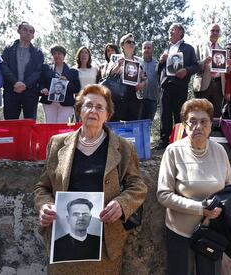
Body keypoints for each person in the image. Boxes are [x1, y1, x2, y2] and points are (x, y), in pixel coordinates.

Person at [34, 84, 147, 274]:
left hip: (105, 239)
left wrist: (121, 204)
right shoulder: (57, 144)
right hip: (63, 239)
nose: (93, 110)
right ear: (79, 110)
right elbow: (42, 187)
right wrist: (44, 205)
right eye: (88, 105)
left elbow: (137, 186)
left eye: (99, 107)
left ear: (107, 114)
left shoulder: (123, 147)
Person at [157, 98, 231, 275]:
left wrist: (221, 208)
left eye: (203, 121)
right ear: (184, 125)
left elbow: (230, 186)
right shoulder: (173, 151)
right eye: (192, 121)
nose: (198, 126)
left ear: (211, 124)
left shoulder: (219, 151)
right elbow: (163, 195)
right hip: (180, 231)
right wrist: (200, 208)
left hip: (212, 231)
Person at [156, 23, 199, 149]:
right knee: (165, 113)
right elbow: (159, 71)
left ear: (180, 31)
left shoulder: (189, 48)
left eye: (172, 30)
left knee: (179, 113)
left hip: (180, 85)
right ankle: (164, 141)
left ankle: (180, 140)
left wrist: (186, 70)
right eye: (169, 30)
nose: (169, 32)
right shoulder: (166, 48)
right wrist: (160, 62)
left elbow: (195, 66)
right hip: (166, 85)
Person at [0, 21, 44, 120]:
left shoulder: (38, 53)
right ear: (18, 31)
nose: (28, 33)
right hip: (11, 91)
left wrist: (25, 85)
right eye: (25, 30)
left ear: (33, 36)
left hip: (30, 93)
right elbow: (4, 67)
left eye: (31, 31)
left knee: (30, 123)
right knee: (10, 123)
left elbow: (38, 72)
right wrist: (15, 82)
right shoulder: (9, 49)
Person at [106, 33, 147, 121]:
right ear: (122, 45)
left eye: (133, 42)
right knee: (115, 122)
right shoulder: (115, 58)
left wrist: (142, 84)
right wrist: (117, 66)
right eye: (128, 42)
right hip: (118, 95)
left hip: (134, 95)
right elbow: (108, 75)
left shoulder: (140, 61)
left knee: (133, 123)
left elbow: (145, 78)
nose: (131, 44)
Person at [40, 45, 80, 123]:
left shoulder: (73, 72)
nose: (56, 55)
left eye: (59, 53)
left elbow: (76, 89)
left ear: (64, 56)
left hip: (66, 104)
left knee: (61, 126)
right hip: (49, 103)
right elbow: (41, 82)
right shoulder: (46, 68)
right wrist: (42, 89)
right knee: (50, 125)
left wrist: (67, 82)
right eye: (54, 53)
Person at [193, 23, 225, 118]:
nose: (215, 33)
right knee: (201, 112)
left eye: (217, 31)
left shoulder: (222, 49)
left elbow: (224, 71)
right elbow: (193, 65)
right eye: (212, 30)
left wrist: (227, 66)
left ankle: (214, 133)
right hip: (203, 83)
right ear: (208, 32)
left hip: (218, 84)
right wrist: (203, 63)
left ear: (219, 34)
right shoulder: (199, 46)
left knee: (216, 113)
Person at [140, 41, 159, 121]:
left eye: (149, 48)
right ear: (141, 50)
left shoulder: (157, 64)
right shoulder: (137, 63)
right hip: (139, 100)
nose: (146, 50)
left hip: (152, 100)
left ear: (153, 50)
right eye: (144, 48)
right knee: (137, 124)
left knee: (148, 126)